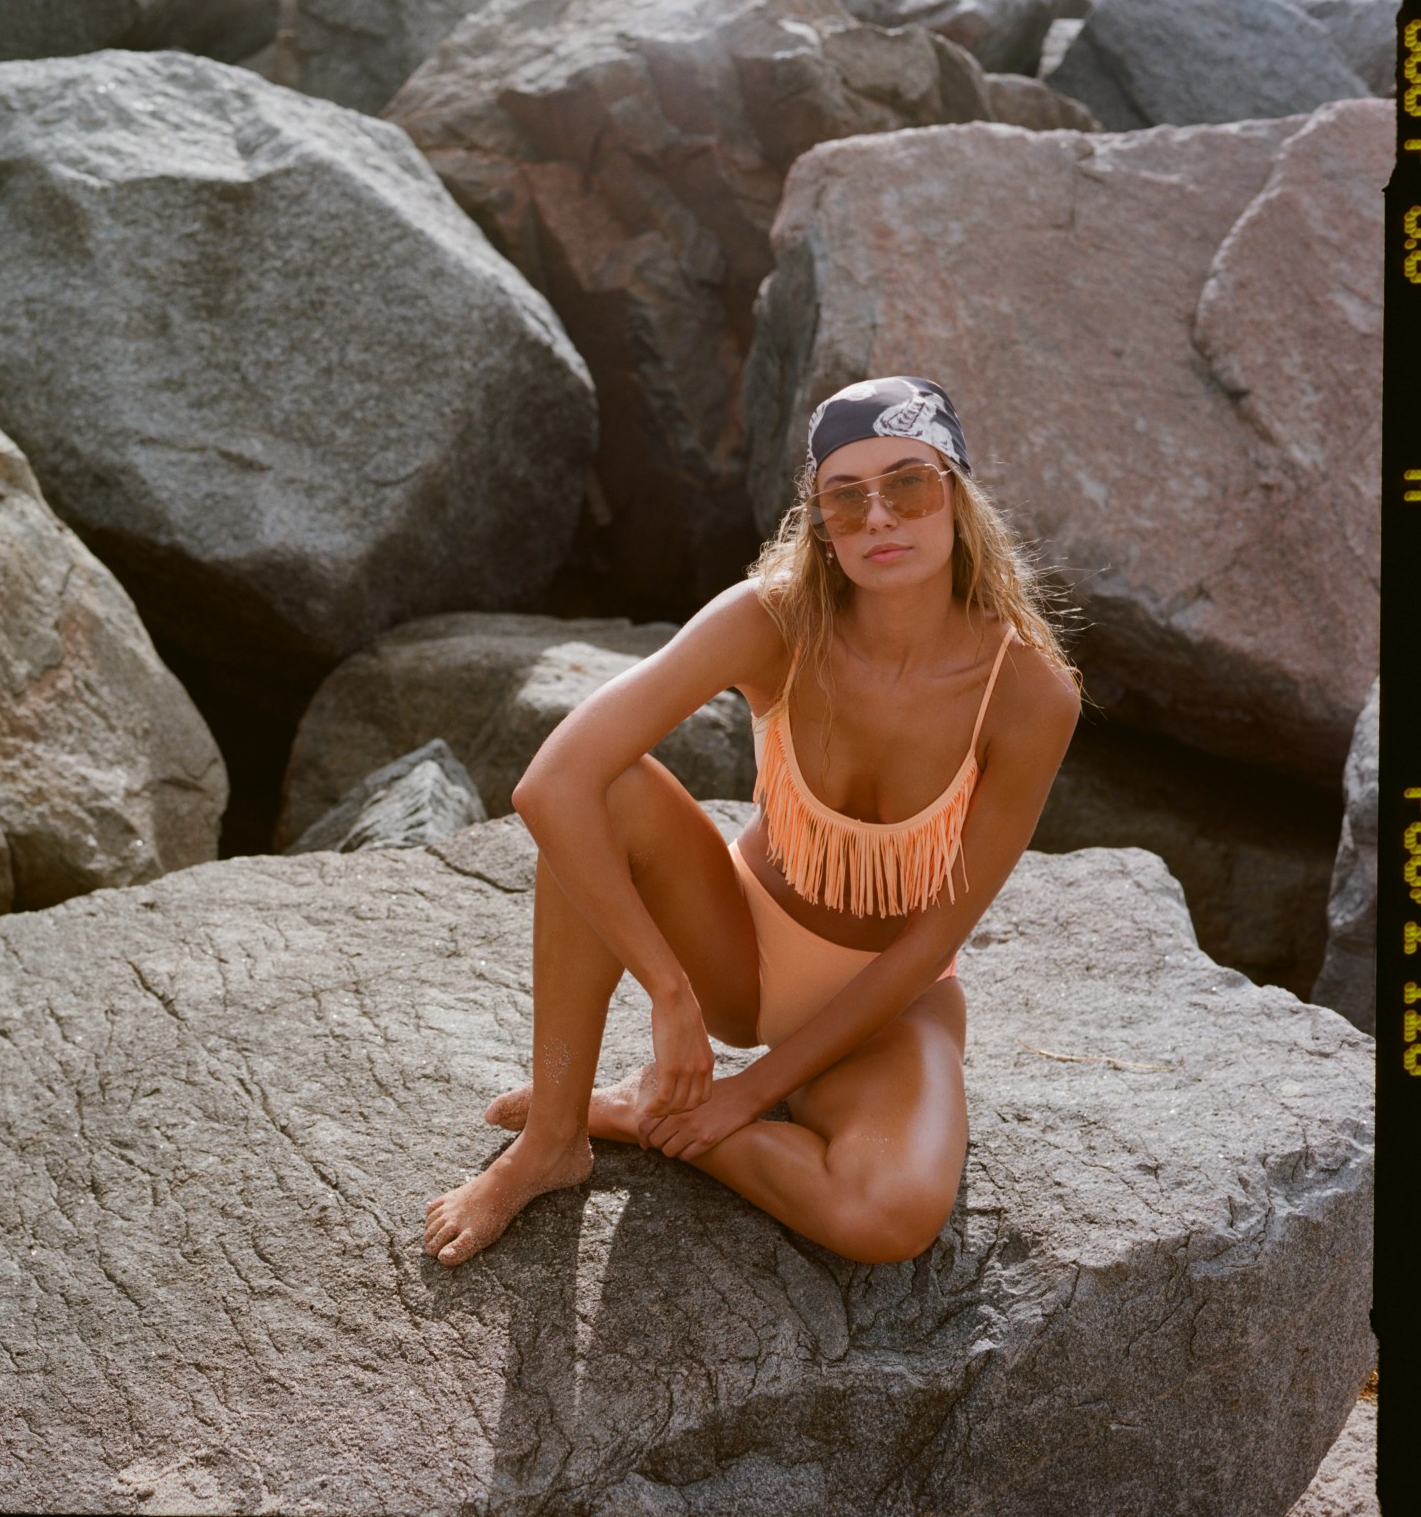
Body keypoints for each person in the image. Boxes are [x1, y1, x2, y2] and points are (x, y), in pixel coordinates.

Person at [424, 376, 1082, 1268]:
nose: (880, 517)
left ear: (958, 495)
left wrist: (745, 1093)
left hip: (894, 1004)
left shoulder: (1030, 694)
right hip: (741, 949)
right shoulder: (772, 619)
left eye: (910, 484)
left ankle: (645, 1110)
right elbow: (552, 782)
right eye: (845, 500)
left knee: (889, 1217)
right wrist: (669, 990)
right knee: (603, 793)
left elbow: (931, 945)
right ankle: (551, 1142)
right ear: (820, 524)